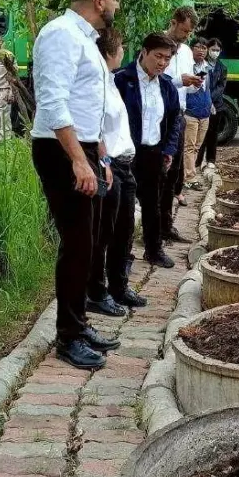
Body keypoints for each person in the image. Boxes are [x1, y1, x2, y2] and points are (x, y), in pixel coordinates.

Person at [30, 0, 123, 371]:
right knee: (77, 244)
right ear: (99, 1)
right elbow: (53, 102)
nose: (116, 4)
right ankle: (67, 337)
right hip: (60, 149)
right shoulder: (60, 35)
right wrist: (78, 159)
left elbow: (88, 104)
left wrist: (98, 155)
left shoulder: (86, 39)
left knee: (90, 241)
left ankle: (79, 323)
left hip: (83, 147)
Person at [88, 28, 147, 315]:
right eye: (122, 46)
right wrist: (104, 162)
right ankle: (96, 292)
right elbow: (92, 126)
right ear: (111, 50)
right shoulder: (96, 83)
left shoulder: (111, 80)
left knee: (124, 230)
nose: (124, 51)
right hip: (109, 165)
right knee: (104, 233)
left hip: (125, 164)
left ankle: (118, 287)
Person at [115, 32, 183, 270]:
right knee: (123, 208)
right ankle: (122, 256)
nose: (162, 63)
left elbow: (175, 120)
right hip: (124, 153)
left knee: (153, 205)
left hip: (153, 152)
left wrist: (169, 149)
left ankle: (154, 250)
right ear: (144, 52)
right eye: (158, 56)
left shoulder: (166, 86)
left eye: (167, 58)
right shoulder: (121, 80)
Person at [163, 6, 200, 234]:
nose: (187, 36)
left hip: (180, 114)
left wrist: (194, 84)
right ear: (173, 22)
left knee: (175, 172)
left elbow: (186, 88)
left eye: (190, 33)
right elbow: (152, 78)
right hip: (161, 115)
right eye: (184, 31)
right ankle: (155, 228)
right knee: (161, 171)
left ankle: (167, 225)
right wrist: (179, 80)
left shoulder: (186, 52)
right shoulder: (157, 45)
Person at [182, 38, 213, 189]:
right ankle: (189, 178)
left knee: (197, 147)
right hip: (190, 112)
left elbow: (207, 88)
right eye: (198, 47)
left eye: (204, 48)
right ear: (191, 48)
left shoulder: (206, 67)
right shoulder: (186, 66)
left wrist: (210, 104)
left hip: (205, 112)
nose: (201, 50)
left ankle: (187, 174)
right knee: (189, 146)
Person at [195, 38, 228, 170]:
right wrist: (207, 101)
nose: (215, 52)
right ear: (208, 50)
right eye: (213, 49)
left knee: (213, 133)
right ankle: (198, 161)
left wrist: (211, 100)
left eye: (217, 50)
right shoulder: (202, 66)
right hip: (203, 104)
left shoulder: (222, 68)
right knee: (201, 133)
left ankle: (211, 160)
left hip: (217, 105)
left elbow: (221, 86)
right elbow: (200, 83)